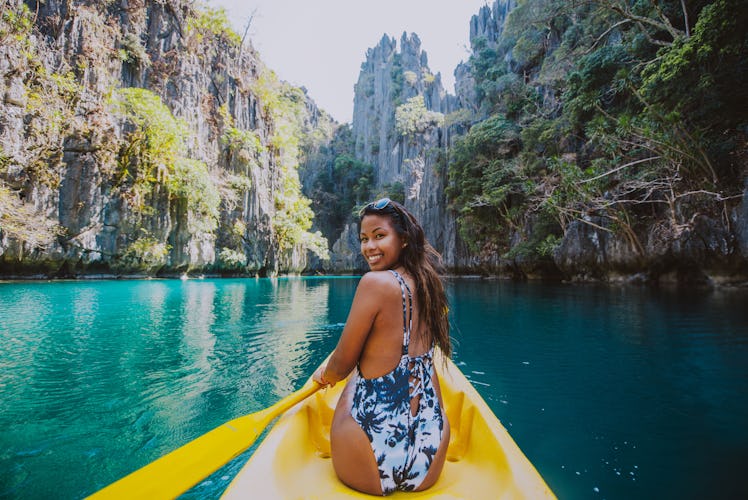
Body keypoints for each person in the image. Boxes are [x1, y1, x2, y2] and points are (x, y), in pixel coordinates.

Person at [313, 197, 452, 496]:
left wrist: (327, 373)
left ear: (402, 239)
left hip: (370, 461)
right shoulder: (429, 283)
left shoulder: (374, 283)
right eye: (364, 239)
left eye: (379, 236)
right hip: (428, 456)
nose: (369, 247)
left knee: (355, 377)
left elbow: (342, 364)